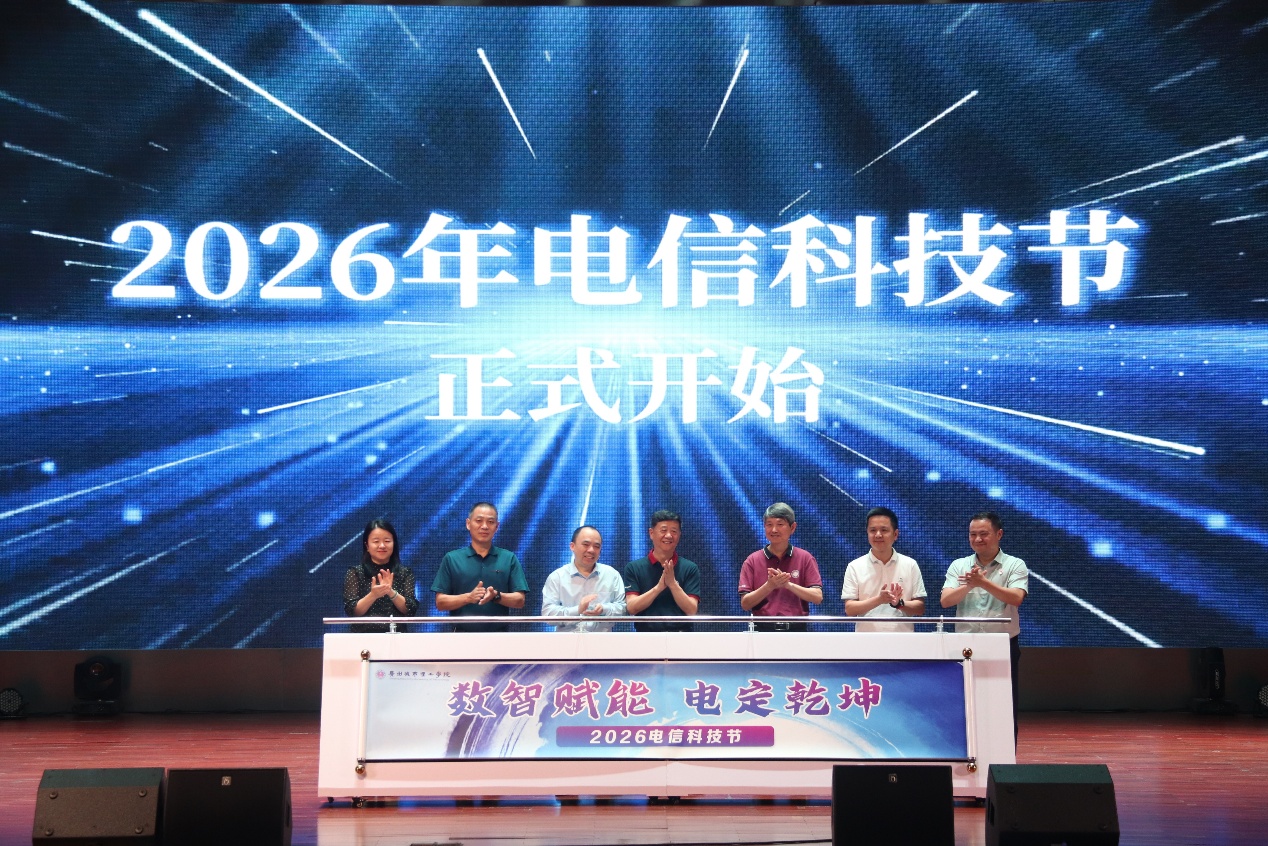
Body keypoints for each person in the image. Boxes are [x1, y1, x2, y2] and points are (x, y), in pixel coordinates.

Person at [941, 511, 1028, 742]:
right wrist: (970, 585)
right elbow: (946, 601)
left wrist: (983, 583)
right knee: (965, 703)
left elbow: (1016, 597)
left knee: (1004, 705)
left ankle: (1005, 758)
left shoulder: (1014, 564)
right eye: (973, 534)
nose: (977, 539)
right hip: (964, 647)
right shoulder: (959, 565)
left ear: (999, 534)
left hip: (1003, 645)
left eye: (983, 534)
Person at [432, 502, 528, 632]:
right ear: (468, 524)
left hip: (500, 637)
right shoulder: (452, 558)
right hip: (461, 637)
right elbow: (440, 602)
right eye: (479, 521)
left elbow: (520, 600)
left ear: (497, 527)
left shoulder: (509, 558)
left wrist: (496, 596)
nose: (484, 526)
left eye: (490, 522)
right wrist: (468, 597)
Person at [738, 502, 822, 631]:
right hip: (762, 631)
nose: (774, 530)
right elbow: (745, 604)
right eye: (769, 524)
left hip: (797, 630)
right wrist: (770, 586)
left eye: (780, 524)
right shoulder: (752, 560)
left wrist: (788, 585)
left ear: (792, 527)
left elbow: (817, 597)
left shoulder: (805, 558)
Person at [842, 506, 926, 632]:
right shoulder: (854, 566)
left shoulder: (910, 565)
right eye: (873, 530)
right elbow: (849, 609)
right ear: (867, 533)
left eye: (884, 530)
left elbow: (920, 608)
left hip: (903, 638)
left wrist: (898, 603)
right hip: (866, 639)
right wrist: (879, 600)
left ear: (895, 534)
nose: (878, 535)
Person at [623, 509, 701, 632]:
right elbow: (631, 608)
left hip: (682, 636)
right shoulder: (634, 568)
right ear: (651, 533)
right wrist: (658, 588)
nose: (669, 535)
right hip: (645, 636)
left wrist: (672, 584)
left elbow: (691, 610)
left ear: (679, 535)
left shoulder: (690, 568)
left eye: (674, 531)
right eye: (663, 530)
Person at [541, 526, 626, 632]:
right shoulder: (557, 577)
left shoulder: (612, 575)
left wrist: (604, 609)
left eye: (596, 546)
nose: (591, 550)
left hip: (602, 639)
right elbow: (548, 613)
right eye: (586, 544)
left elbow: (623, 608)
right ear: (572, 546)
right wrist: (577, 610)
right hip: (568, 639)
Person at [343, 518, 419, 633]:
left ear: (394, 544)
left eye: (387, 541)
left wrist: (390, 592)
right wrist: (373, 595)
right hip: (362, 637)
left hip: (396, 637)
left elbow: (410, 610)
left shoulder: (405, 573)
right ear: (367, 546)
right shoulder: (355, 573)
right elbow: (352, 611)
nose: (382, 545)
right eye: (376, 541)